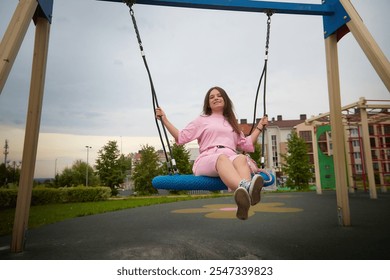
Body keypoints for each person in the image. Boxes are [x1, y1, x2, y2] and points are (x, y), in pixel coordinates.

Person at [155, 86, 268, 220]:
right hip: (207, 158)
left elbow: (246, 144)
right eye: (212, 97)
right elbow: (181, 137)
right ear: (208, 103)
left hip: (230, 157)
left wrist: (260, 126)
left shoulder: (232, 123)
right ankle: (247, 188)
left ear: (225, 99)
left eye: (219, 95)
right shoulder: (202, 120)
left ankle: (244, 201)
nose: (216, 98)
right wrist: (164, 120)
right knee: (221, 158)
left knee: (242, 158)